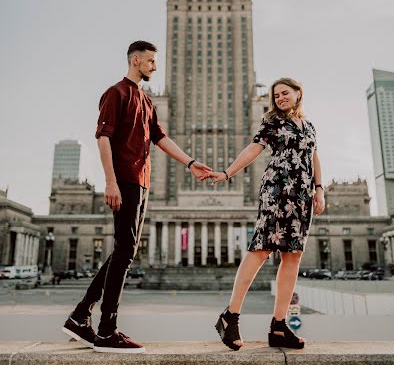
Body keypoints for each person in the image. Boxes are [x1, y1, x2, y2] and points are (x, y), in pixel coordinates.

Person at [62, 40, 213, 354]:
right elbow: (103, 138)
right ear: (135, 60)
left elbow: (160, 138)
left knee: (123, 250)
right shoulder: (116, 93)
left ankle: (80, 316)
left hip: (142, 183)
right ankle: (106, 329)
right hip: (125, 181)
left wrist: (191, 163)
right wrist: (110, 182)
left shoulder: (146, 100)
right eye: (151, 61)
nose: (155, 67)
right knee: (126, 250)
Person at [211, 77, 325, 351]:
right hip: (276, 190)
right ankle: (231, 316)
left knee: (293, 256)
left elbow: (314, 156)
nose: (280, 98)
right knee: (261, 249)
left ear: (299, 93)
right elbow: (254, 148)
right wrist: (228, 172)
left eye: (285, 93)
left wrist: (319, 189)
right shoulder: (272, 122)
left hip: (301, 196)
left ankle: (278, 326)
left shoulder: (309, 125)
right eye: (276, 95)